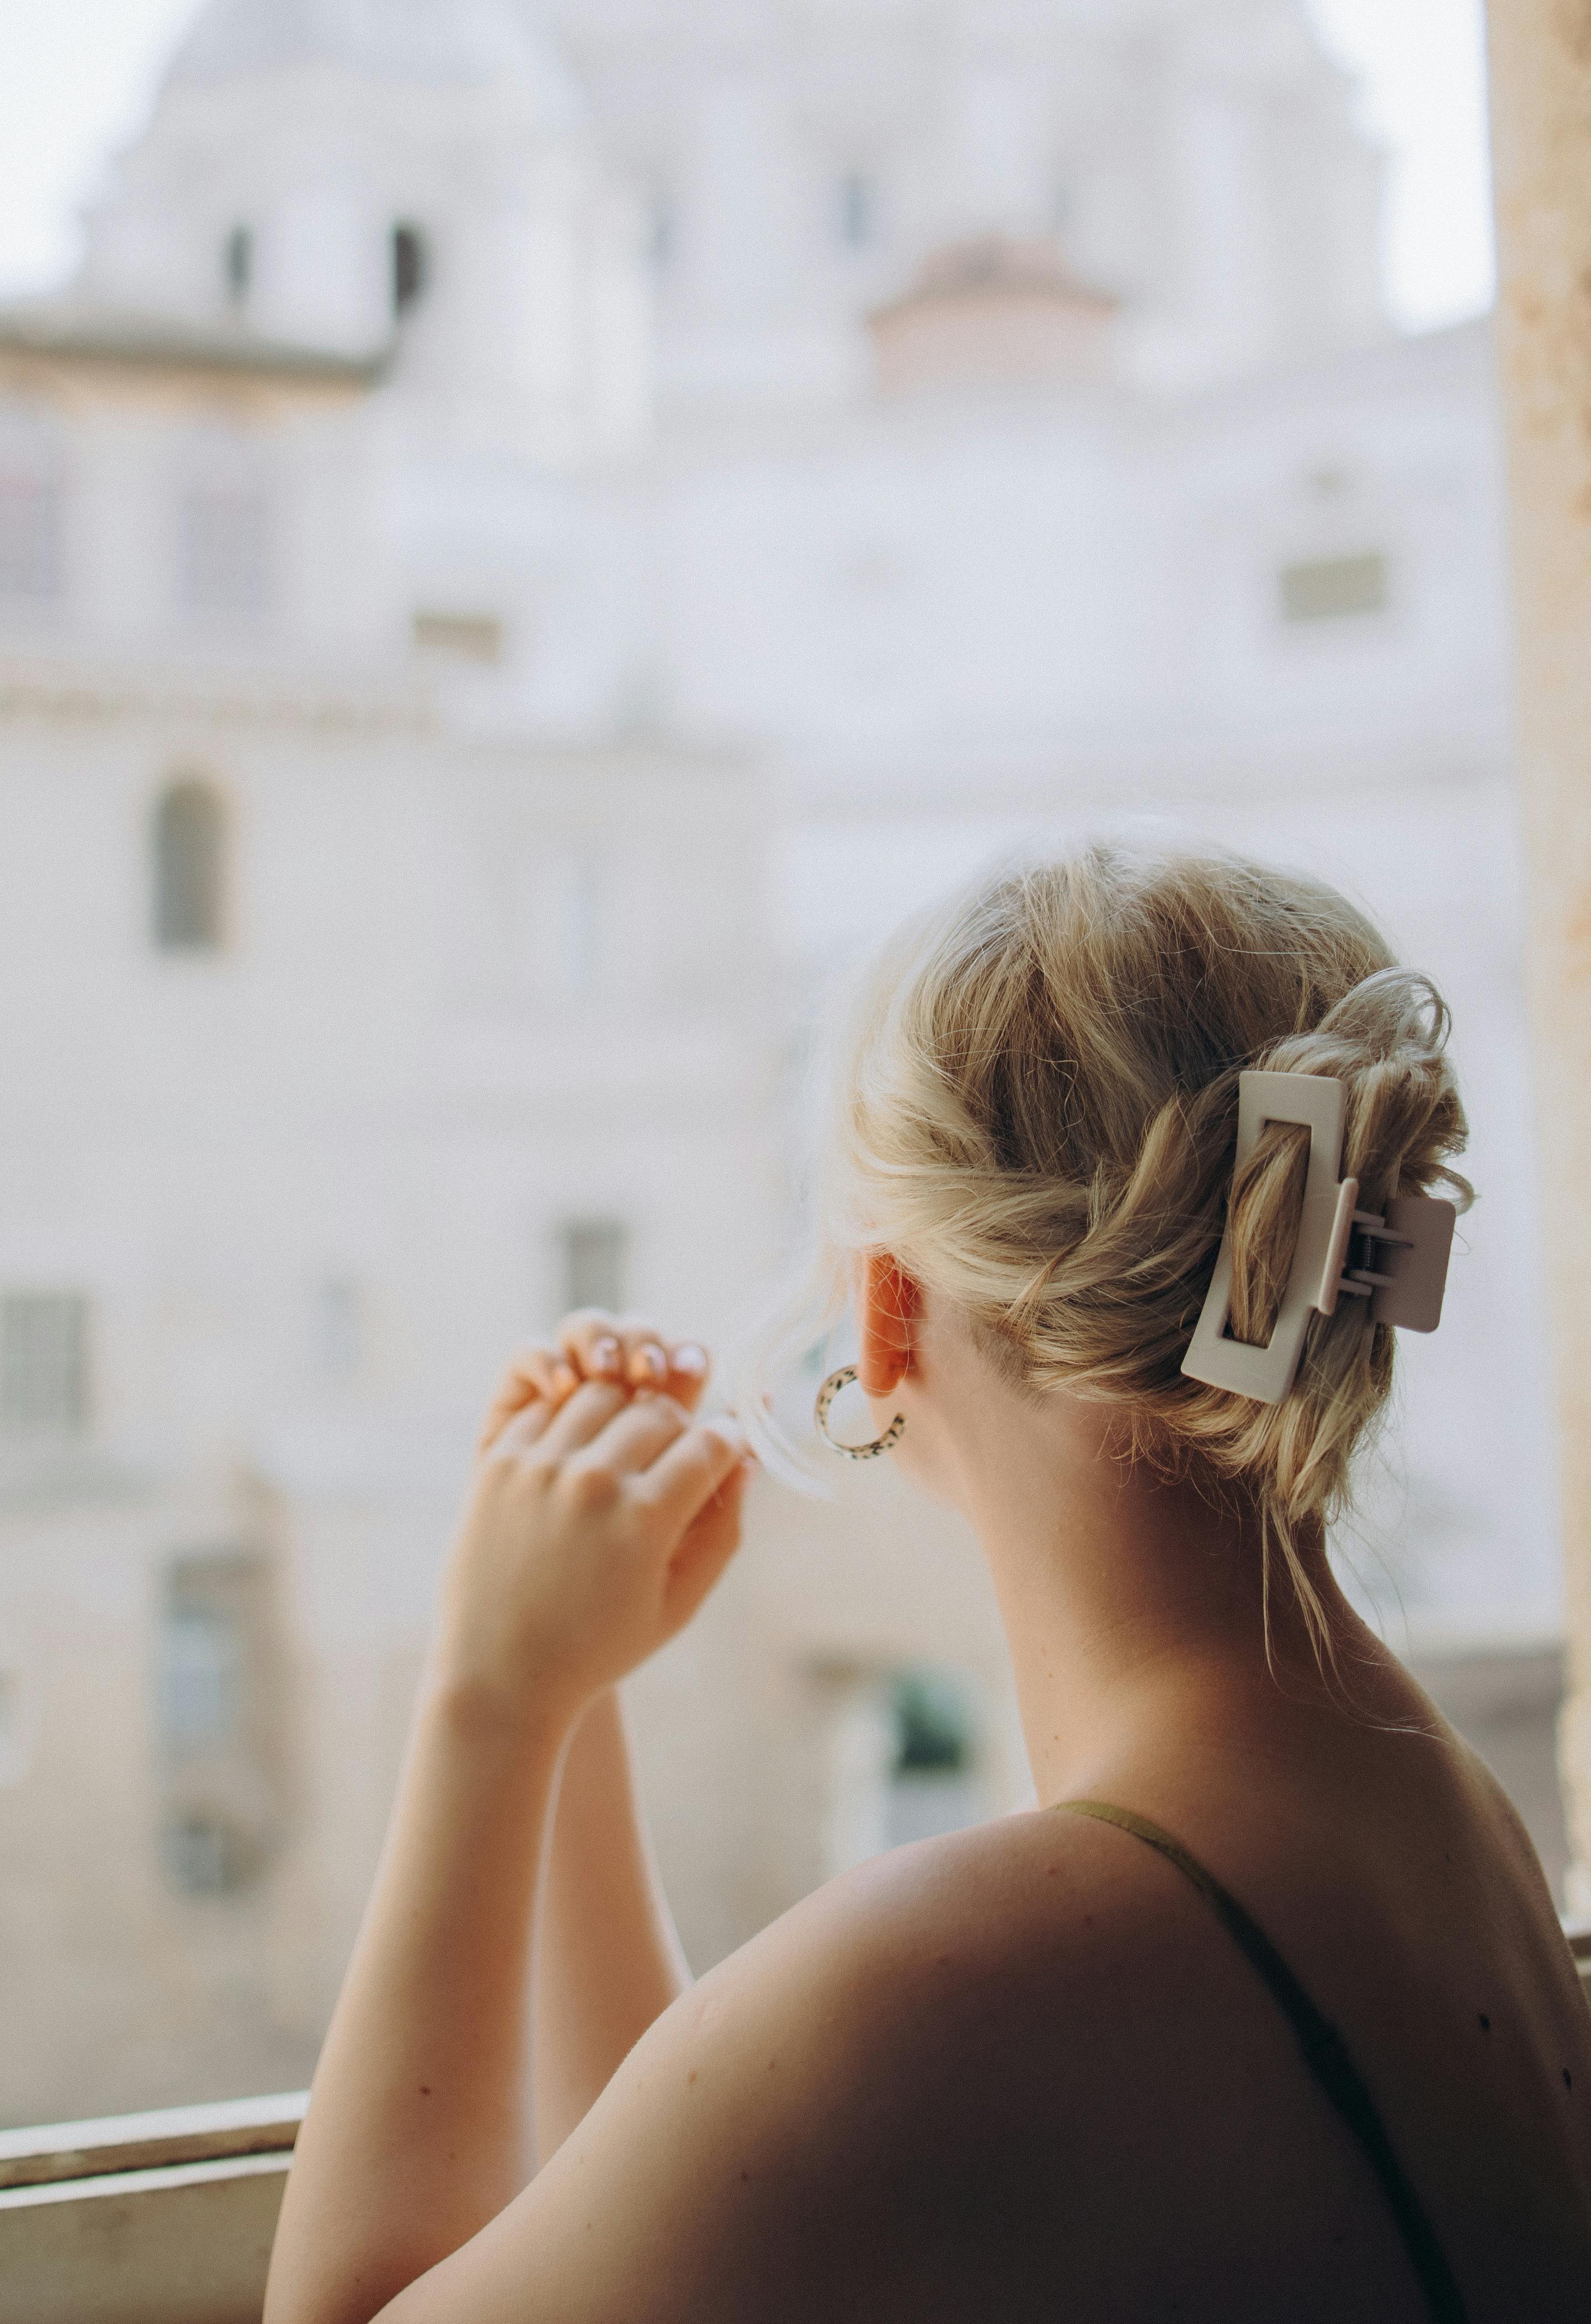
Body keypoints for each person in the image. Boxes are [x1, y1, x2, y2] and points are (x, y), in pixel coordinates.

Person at [264, 842, 1591, 2322]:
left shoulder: (960, 1984)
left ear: (885, 1308)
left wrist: (488, 1703)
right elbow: (718, 2226)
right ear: (1346, 1254)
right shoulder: (1437, 1818)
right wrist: (579, 1719)